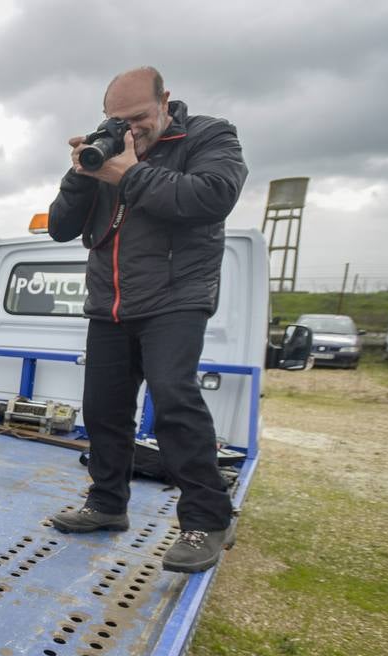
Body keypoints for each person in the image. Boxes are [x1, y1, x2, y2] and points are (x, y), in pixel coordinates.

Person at [46, 67, 247, 573]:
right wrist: (81, 174)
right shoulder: (108, 149)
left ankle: (207, 520)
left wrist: (127, 174)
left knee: (174, 400)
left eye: (139, 117)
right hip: (109, 303)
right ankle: (107, 503)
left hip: (176, 298)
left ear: (165, 101)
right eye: (119, 120)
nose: (131, 129)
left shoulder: (209, 136)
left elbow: (212, 196)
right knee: (103, 410)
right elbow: (60, 228)